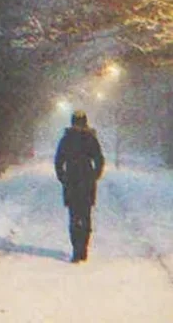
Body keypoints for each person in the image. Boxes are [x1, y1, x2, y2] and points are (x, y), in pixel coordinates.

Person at [54, 110, 105, 263]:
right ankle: (83, 248)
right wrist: (94, 176)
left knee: (74, 216)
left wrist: (62, 177)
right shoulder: (91, 138)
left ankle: (76, 248)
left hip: (71, 181)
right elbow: (99, 159)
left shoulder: (66, 139)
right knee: (86, 216)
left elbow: (58, 161)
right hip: (87, 182)